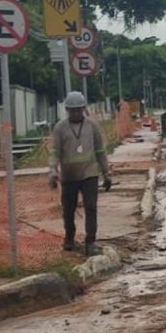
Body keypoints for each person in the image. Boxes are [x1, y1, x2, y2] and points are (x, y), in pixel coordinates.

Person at [48, 92, 112, 256]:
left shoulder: (92, 126)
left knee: (91, 207)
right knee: (68, 209)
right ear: (67, 110)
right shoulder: (60, 128)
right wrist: (53, 171)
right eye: (72, 110)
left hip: (89, 174)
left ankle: (90, 241)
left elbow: (100, 151)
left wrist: (106, 173)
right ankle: (69, 237)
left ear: (83, 109)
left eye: (79, 110)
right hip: (69, 176)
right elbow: (55, 152)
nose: (76, 113)